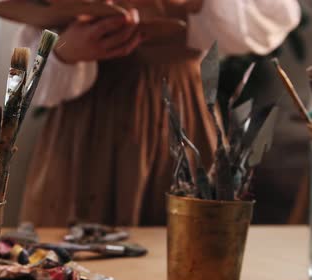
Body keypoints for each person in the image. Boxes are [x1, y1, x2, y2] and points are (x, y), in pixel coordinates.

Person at [16, 0, 301, 227]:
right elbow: (22, 80)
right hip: (84, 137)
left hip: (183, 122)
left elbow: (276, 17)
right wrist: (67, 50)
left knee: (188, 257)